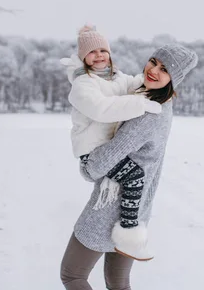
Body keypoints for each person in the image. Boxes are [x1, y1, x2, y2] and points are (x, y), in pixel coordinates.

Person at [60, 43, 199, 290]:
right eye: (154, 61)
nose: (153, 70)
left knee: (72, 275)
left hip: (111, 206)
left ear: (174, 78)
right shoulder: (158, 102)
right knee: (118, 283)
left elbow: (104, 159)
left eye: (164, 69)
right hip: (135, 210)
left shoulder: (148, 114)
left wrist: (87, 166)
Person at [60, 26, 163, 261]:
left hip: (108, 150)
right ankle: (129, 232)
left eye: (103, 50)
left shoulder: (116, 77)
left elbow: (136, 83)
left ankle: (127, 227)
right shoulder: (82, 84)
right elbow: (100, 109)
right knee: (134, 175)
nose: (99, 55)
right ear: (83, 57)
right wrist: (140, 105)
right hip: (92, 153)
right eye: (92, 51)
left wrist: (159, 82)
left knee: (138, 175)